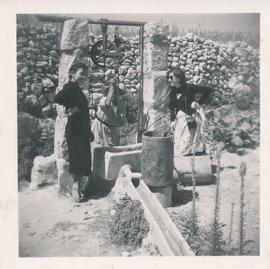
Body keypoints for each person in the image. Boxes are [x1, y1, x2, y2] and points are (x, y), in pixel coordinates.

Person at [54, 63, 93, 202]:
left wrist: (89, 130)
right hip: (75, 130)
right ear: (72, 73)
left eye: (85, 74)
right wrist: (72, 107)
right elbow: (57, 98)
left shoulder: (77, 89)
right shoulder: (70, 86)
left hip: (82, 129)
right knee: (77, 159)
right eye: (81, 73)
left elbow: (84, 111)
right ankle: (75, 189)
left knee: (84, 159)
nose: (84, 77)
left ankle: (79, 188)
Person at [167, 67, 213, 156]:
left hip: (190, 116)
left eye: (171, 77)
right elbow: (172, 107)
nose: (169, 80)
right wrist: (172, 120)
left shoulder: (189, 87)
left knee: (191, 140)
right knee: (180, 146)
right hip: (180, 120)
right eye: (168, 78)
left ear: (178, 78)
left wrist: (197, 102)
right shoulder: (172, 91)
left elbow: (208, 90)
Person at [91, 78, 120, 147]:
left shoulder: (116, 103)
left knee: (111, 148)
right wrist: (112, 87)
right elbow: (107, 103)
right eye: (114, 92)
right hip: (102, 129)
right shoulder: (103, 99)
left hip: (110, 129)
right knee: (101, 148)